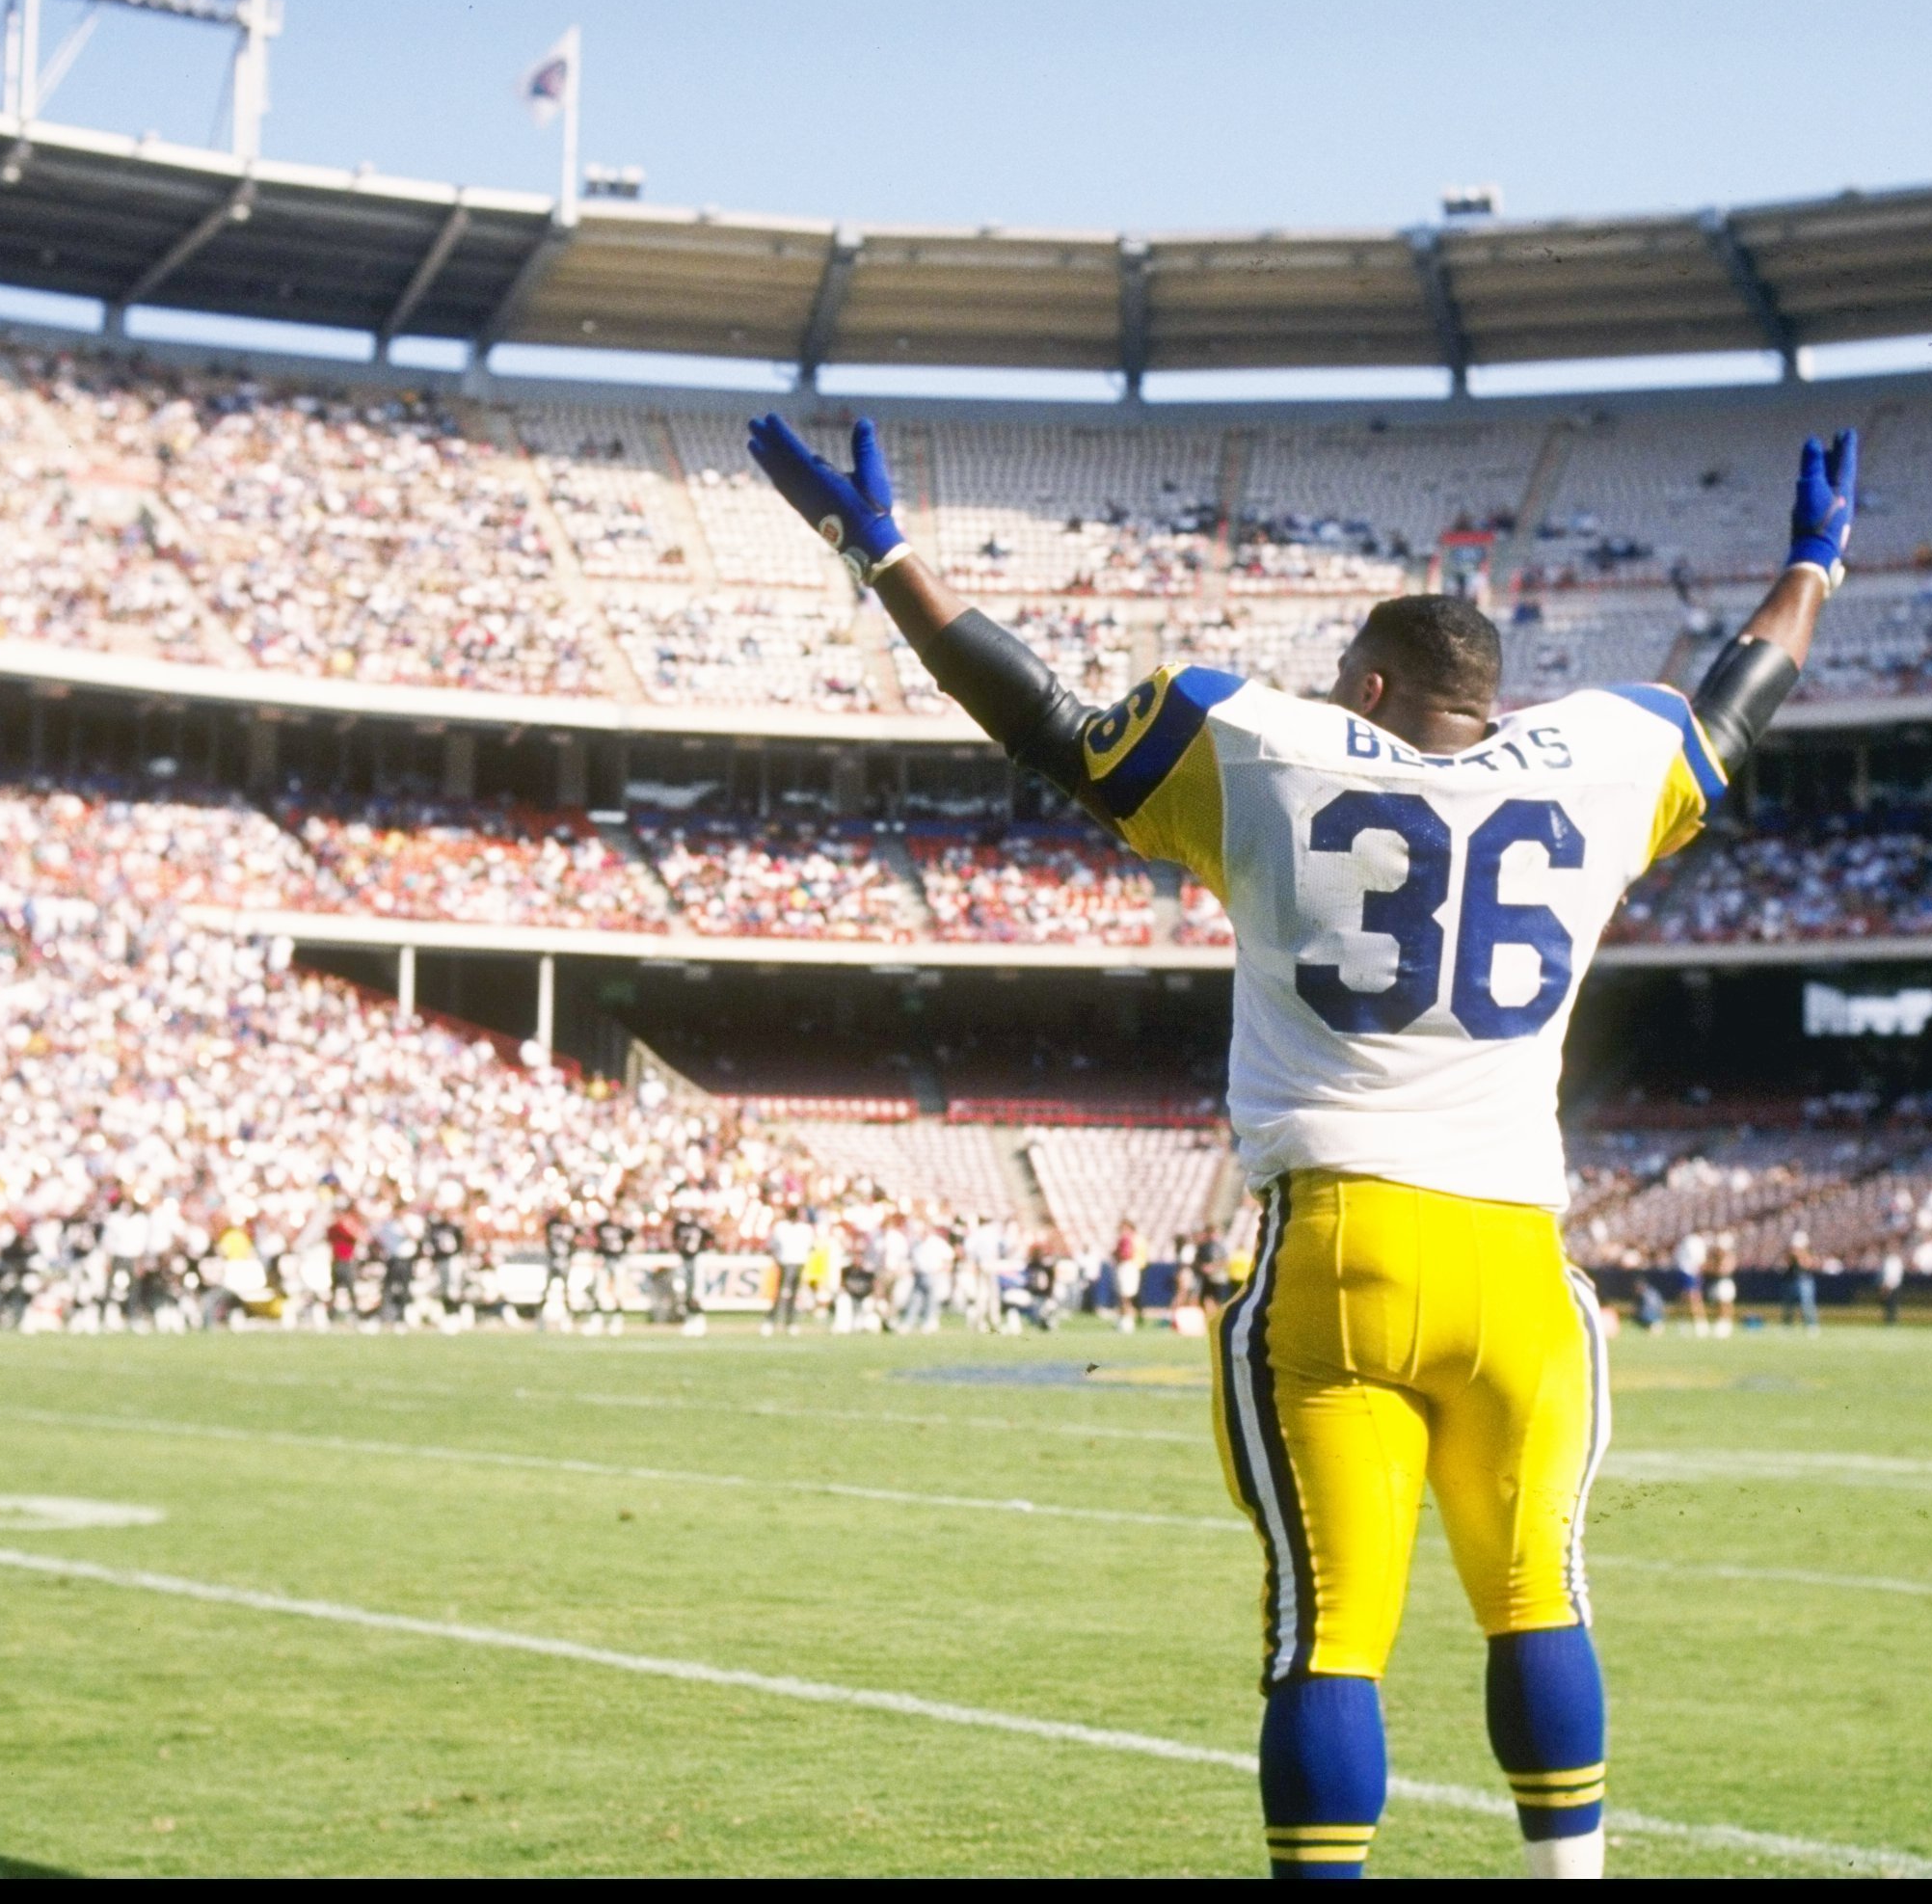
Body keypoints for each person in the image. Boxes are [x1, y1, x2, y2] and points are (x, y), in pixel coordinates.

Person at [749, 410, 1855, 1878]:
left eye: (1348, 673)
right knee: (1540, 1597)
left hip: (1344, 1246)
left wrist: (883, 555)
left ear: (1376, 684)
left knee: (1329, 1629)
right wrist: (1813, 570)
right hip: (1521, 1267)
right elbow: (1732, 710)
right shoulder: (1603, 754)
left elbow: (1041, 723)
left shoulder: (1265, 742)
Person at [766, 1205, 814, 1336]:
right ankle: (771, 1320)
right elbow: (773, 1246)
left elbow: (809, 1246)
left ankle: (790, 1322)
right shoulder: (781, 1227)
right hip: (785, 1263)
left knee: (793, 1294)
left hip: (799, 1263)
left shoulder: (805, 1229)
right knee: (781, 1293)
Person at [671, 1209, 711, 1337]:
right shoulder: (679, 1227)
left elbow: (710, 1238)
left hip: (697, 1258)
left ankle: (699, 1319)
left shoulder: (699, 1227)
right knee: (684, 1290)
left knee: (696, 1292)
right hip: (684, 1259)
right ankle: (690, 1318)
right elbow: (676, 1241)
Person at [1672, 1230, 1710, 1337]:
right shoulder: (1694, 1241)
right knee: (1693, 1297)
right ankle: (1699, 1323)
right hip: (1690, 1272)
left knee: (1686, 1297)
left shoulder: (1688, 1241)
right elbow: (1698, 1260)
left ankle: (1685, 1322)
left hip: (1688, 1271)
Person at [1781, 1234, 1819, 1335]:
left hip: (1804, 1280)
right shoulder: (1790, 1254)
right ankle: (1787, 1325)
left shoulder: (1808, 1253)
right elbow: (1786, 1264)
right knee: (1788, 1305)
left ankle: (1811, 1325)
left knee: (1806, 1305)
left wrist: (1800, 1256)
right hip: (1791, 1279)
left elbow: (1808, 1265)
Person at [1877, 1243, 1906, 1327]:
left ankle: (1892, 1321)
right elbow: (1885, 1274)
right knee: (1887, 1304)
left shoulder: (1897, 1260)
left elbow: (1896, 1275)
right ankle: (1888, 1321)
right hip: (1886, 1285)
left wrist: (1890, 1286)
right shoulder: (1888, 1260)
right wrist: (1884, 1285)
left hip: (1894, 1286)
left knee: (1893, 1304)